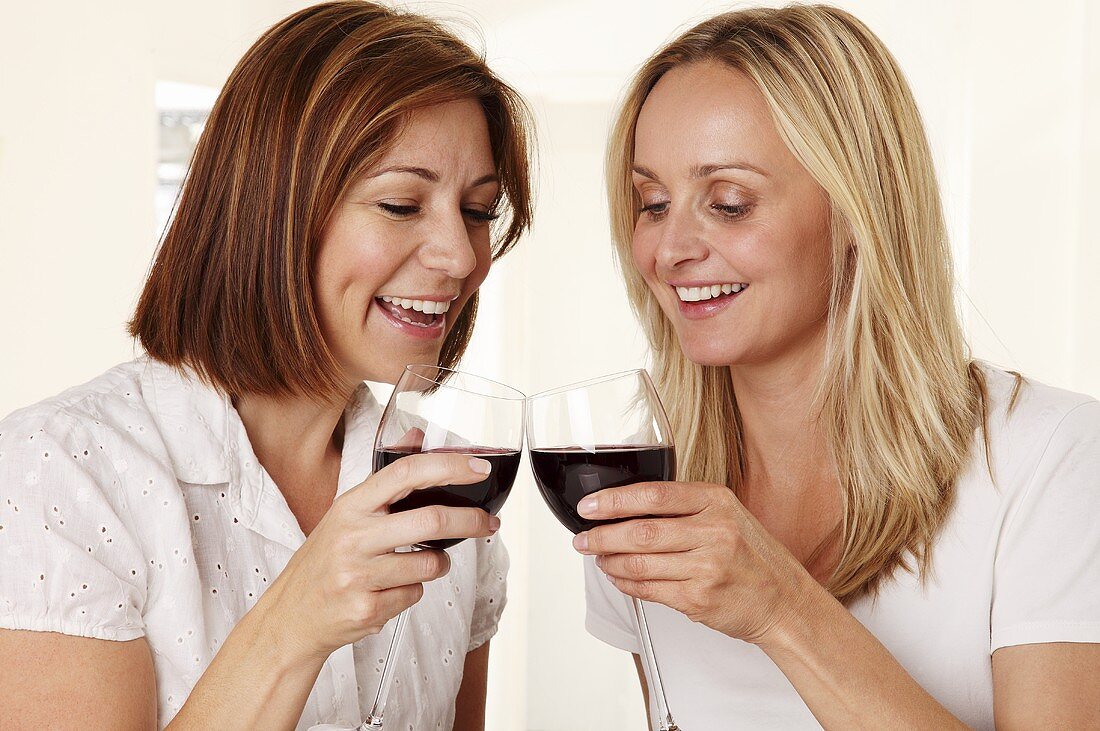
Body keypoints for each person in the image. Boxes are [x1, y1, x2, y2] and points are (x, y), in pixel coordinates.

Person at [0, 2, 532, 728]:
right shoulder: (59, 474)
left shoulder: (443, 487)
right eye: (403, 204)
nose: (463, 257)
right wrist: (295, 618)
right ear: (272, 208)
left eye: (478, 211)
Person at [578, 5, 1100, 729]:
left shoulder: (1049, 457)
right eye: (653, 203)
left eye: (728, 203)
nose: (670, 250)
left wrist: (782, 609)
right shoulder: (647, 485)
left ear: (859, 209)